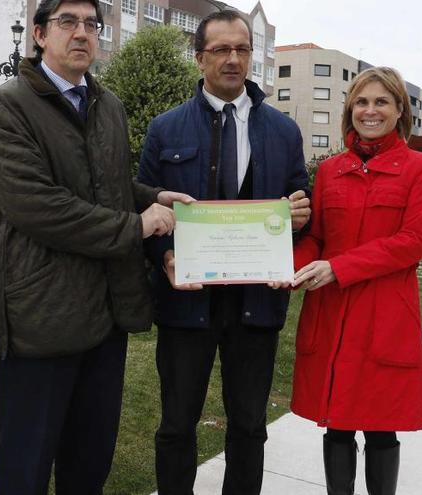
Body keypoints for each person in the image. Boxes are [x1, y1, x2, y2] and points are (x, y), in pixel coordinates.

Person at [0, 0, 192, 493]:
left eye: (91, 24)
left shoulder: (108, 105)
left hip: (104, 317)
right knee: (25, 468)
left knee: (88, 464)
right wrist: (135, 227)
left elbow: (110, 187)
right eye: (67, 22)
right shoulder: (9, 104)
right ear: (39, 35)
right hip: (42, 318)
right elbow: (36, 205)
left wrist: (153, 197)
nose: (82, 33)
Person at [137, 10, 311, 495]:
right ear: (200, 59)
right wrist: (165, 256)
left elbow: (299, 203)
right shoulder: (165, 129)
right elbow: (146, 205)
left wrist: (299, 217)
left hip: (256, 302)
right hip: (186, 302)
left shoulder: (283, 131)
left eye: (242, 49)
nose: (234, 60)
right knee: (176, 425)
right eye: (221, 50)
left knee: (250, 427)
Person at [290, 66, 422, 495]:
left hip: (385, 313)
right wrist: (289, 268)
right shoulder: (331, 170)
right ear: (349, 109)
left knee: (380, 428)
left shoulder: (421, 168)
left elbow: (412, 242)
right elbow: (316, 237)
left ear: (399, 112)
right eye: (361, 102)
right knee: (336, 424)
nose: (369, 111)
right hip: (332, 311)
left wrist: (339, 268)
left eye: (381, 102)